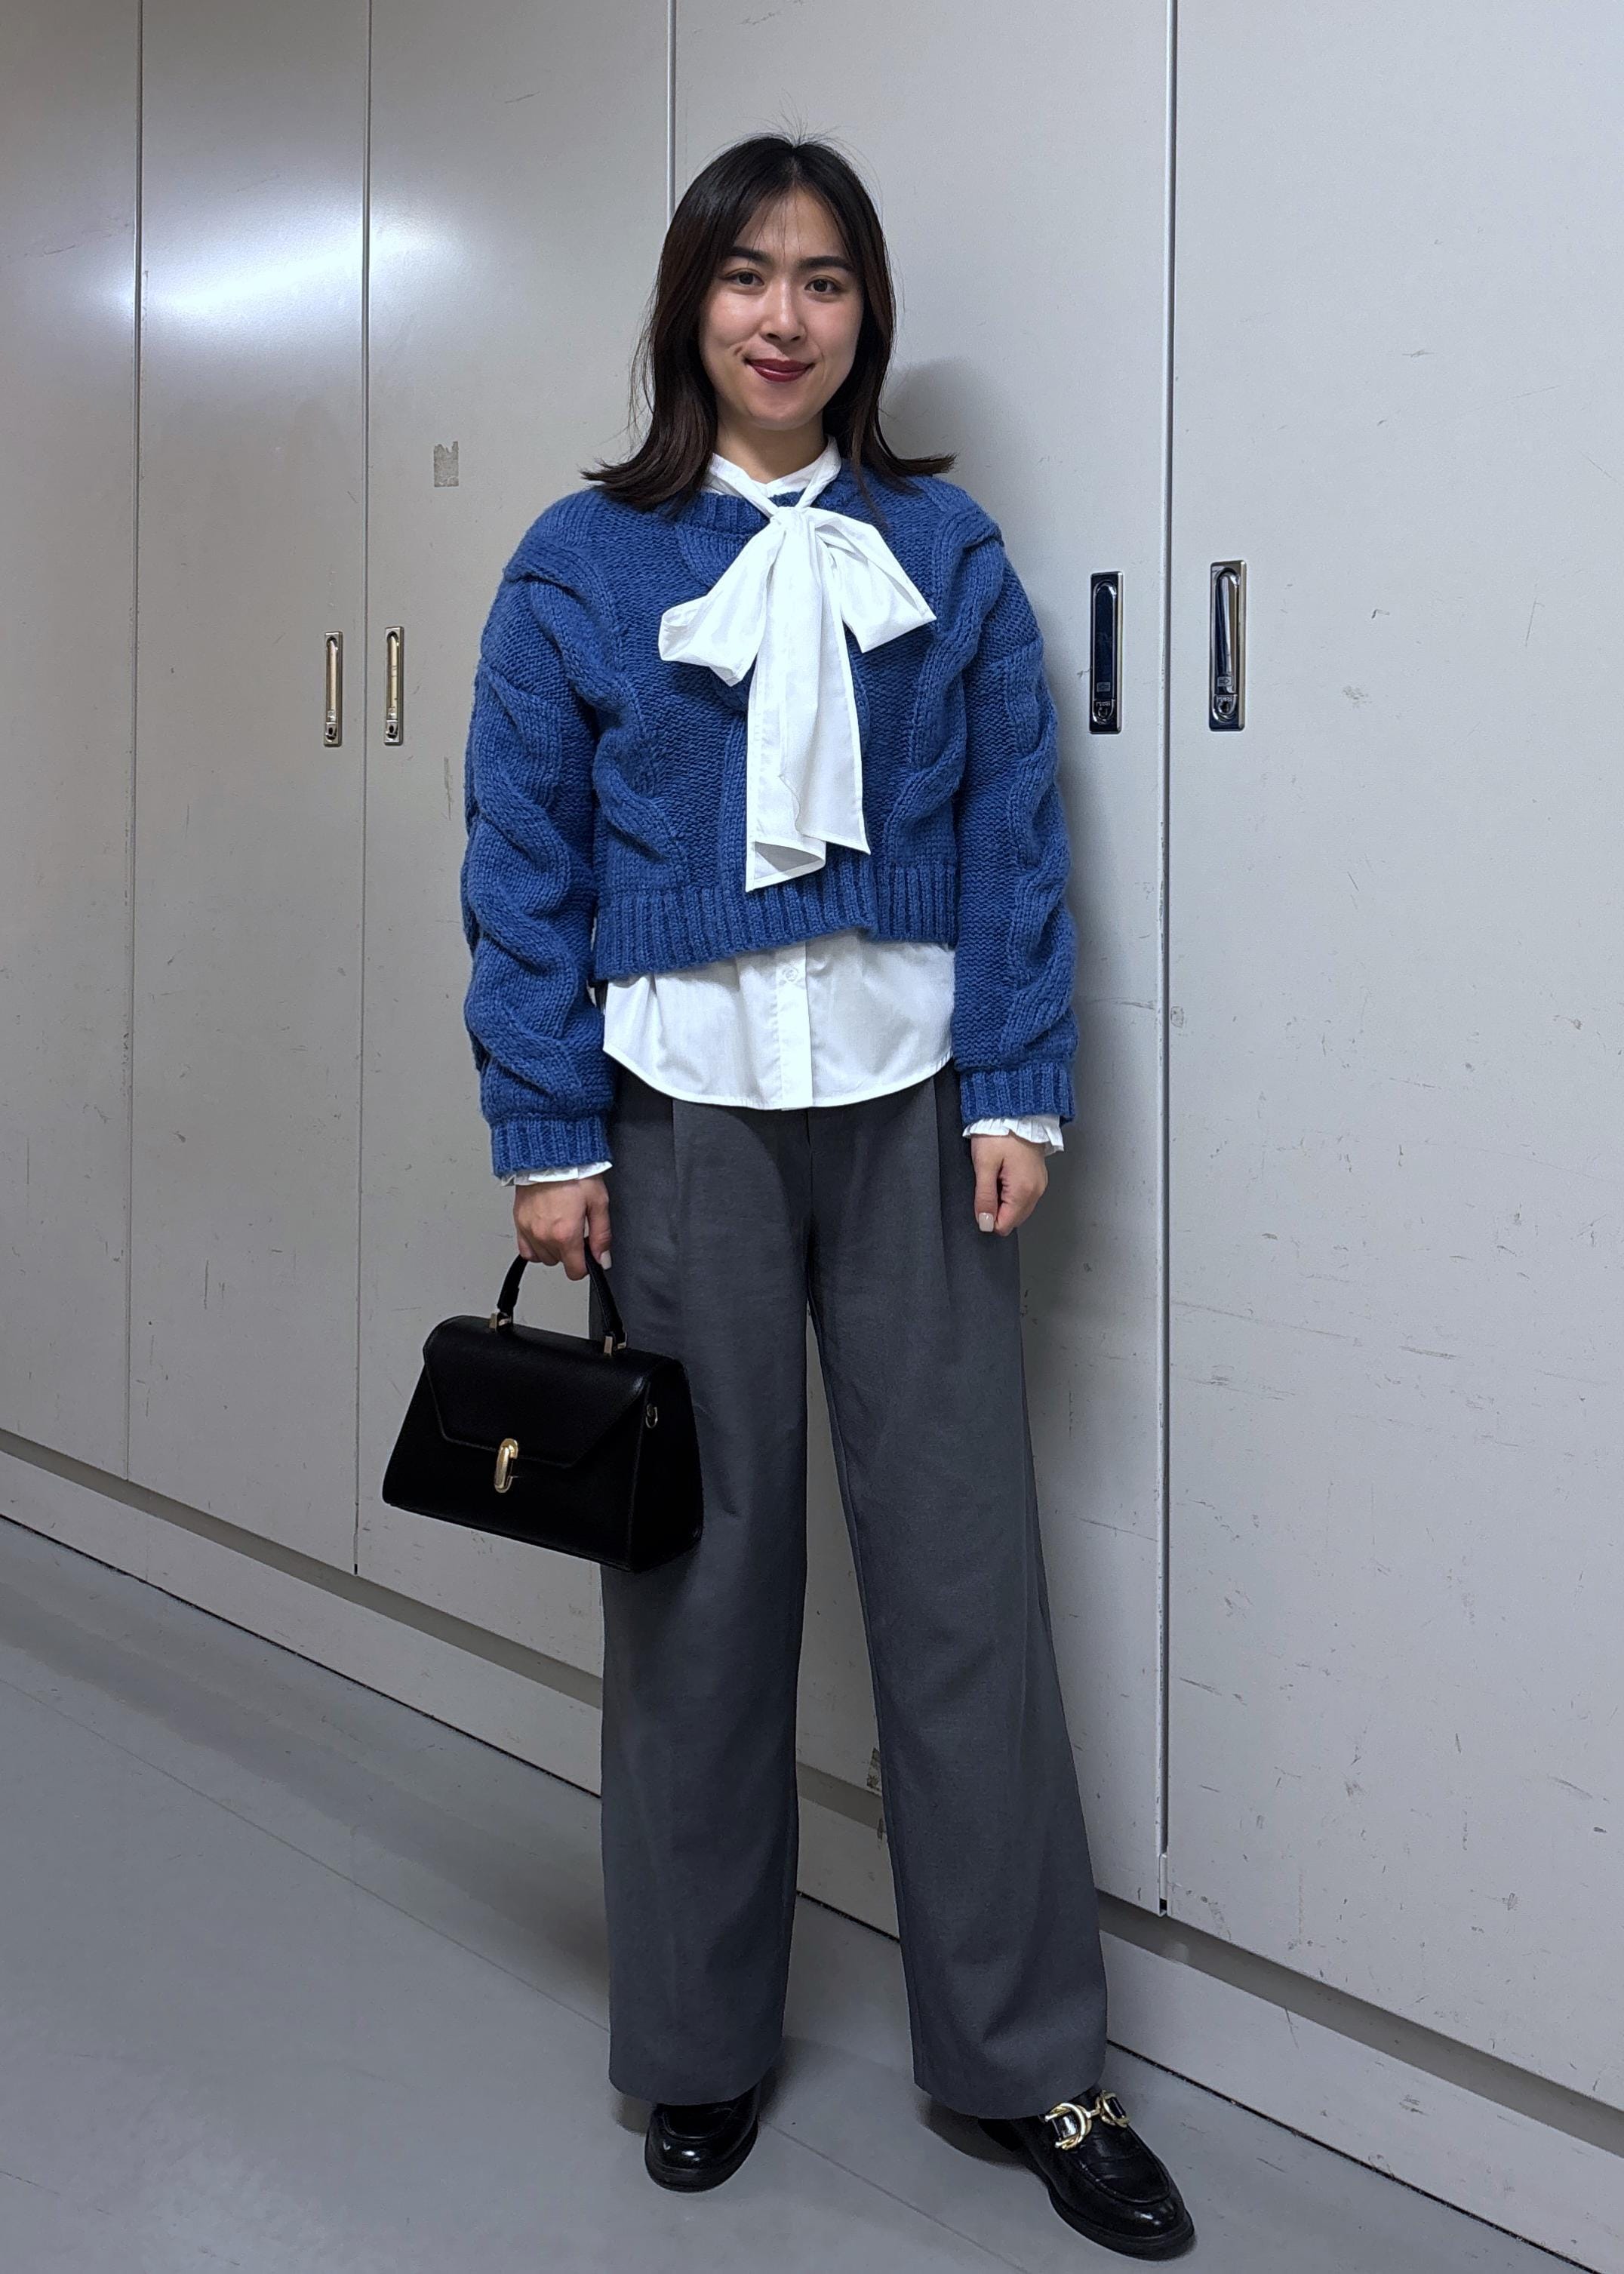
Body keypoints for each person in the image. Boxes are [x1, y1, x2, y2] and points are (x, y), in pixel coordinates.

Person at [459, 131, 1194, 2259]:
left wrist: (1021, 1090)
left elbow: (1014, 841)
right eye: (746, 276)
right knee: (697, 1588)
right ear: (687, 304)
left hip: (913, 1105)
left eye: (826, 280)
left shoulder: (942, 548)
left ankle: (1033, 2066)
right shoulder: (579, 563)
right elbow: (522, 855)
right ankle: (697, 2044)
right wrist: (547, 1133)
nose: (783, 318)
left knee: (965, 1586)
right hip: (674, 1113)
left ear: (866, 315)